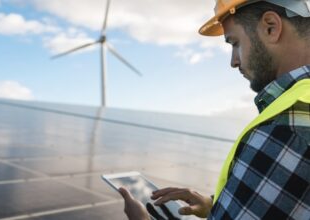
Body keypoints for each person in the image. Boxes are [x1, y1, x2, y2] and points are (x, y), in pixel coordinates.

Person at [119, 0, 310, 219]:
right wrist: (215, 207)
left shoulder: (286, 128)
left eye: (234, 42)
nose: (233, 61)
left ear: (271, 27)